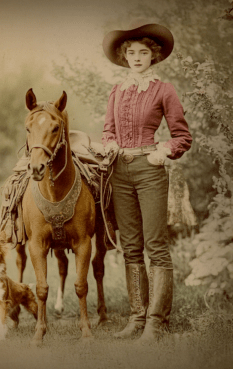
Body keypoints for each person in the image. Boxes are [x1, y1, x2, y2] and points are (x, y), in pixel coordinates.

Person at [102, 20, 192, 343]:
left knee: (156, 246)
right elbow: (108, 130)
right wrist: (110, 143)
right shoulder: (117, 90)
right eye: (131, 53)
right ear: (125, 57)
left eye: (143, 52)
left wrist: (163, 151)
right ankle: (136, 317)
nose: (137, 57)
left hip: (150, 169)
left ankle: (156, 321)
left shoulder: (164, 90)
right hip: (120, 172)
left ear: (153, 56)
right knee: (130, 247)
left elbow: (183, 136)